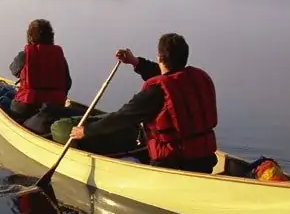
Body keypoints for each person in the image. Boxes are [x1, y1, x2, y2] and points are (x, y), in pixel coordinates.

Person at [70, 33, 218, 174]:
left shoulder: (154, 92)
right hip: (205, 159)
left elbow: (122, 118)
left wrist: (86, 131)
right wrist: (135, 62)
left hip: (172, 163)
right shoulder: (197, 79)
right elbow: (167, 76)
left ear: (160, 57)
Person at [9, 19, 72, 121]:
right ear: (51, 36)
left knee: (8, 100)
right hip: (53, 106)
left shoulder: (25, 54)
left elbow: (13, 70)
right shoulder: (59, 56)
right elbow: (67, 83)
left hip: (27, 106)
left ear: (30, 37)